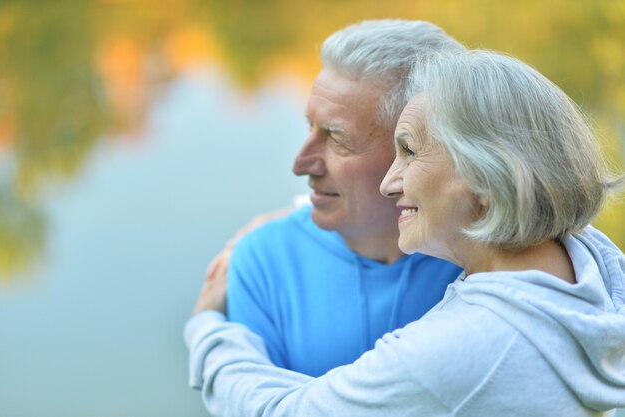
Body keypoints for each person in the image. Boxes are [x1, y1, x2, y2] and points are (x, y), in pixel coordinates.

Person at [186, 50, 625, 416]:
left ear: (489, 179)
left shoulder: (455, 353)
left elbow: (281, 411)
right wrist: (310, 215)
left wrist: (207, 328)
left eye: (410, 151)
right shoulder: (590, 264)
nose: (388, 182)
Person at [199, 19, 465, 377]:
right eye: (310, 126)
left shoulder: (489, 255)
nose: (300, 164)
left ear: (417, 149)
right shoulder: (263, 261)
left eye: (337, 139)